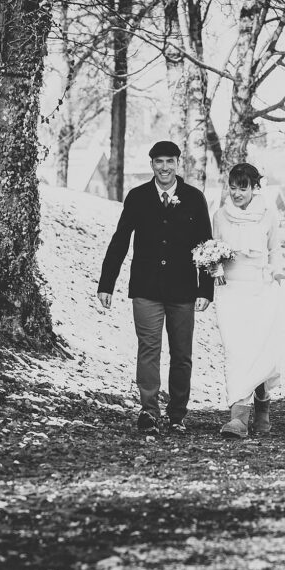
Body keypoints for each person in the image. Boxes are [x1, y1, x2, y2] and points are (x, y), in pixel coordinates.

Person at [97, 140, 214, 435]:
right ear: (151, 165)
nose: (164, 167)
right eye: (159, 162)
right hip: (146, 287)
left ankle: (177, 415)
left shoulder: (194, 198)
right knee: (148, 349)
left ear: (178, 164)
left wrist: (205, 289)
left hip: (183, 289)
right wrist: (106, 283)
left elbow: (206, 246)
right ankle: (149, 411)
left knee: (181, 354)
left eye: (170, 161)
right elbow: (120, 239)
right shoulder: (137, 197)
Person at [211, 162, 285, 438]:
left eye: (243, 187)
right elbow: (214, 249)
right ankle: (238, 418)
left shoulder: (268, 214)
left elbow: (274, 249)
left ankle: (262, 406)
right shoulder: (220, 215)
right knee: (236, 352)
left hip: (260, 289)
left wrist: (277, 274)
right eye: (233, 187)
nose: (237, 193)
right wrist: (213, 268)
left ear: (255, 187)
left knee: (259, 350)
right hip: (230, 292)